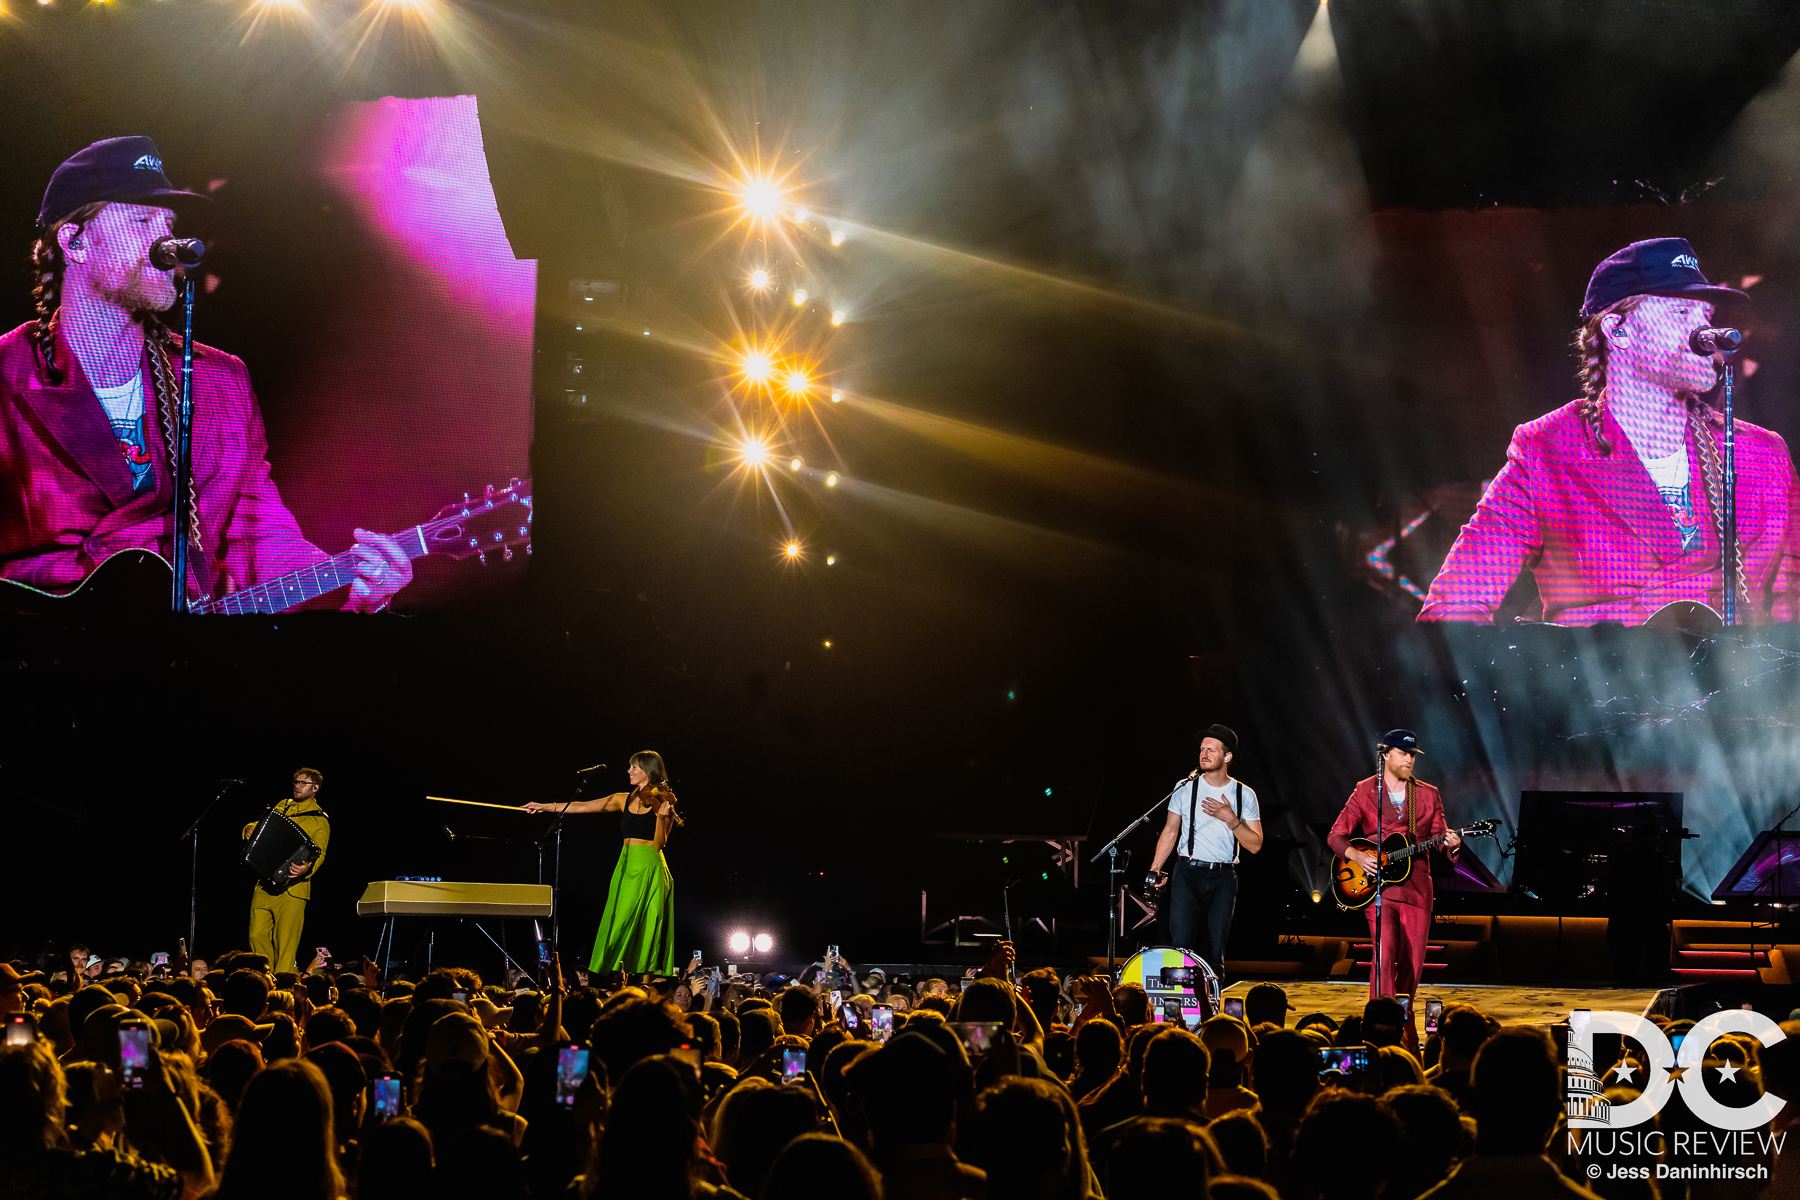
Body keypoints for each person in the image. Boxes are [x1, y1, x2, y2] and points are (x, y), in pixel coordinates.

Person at [0, 135, 416, 610]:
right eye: (141, 220)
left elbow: (258, 536)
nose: (169, 242)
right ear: (75, 242)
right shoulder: (7, 376)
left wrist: (355, 589)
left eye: (169, 223)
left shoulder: (220, 381)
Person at [1419, 236, 1800, 626]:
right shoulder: (1547, 452)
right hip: (1606, 681)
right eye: (1682, 313)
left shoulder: (1761, 455)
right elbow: (1453, 605)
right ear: (1618, 331)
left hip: (1739, 682)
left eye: (1705, 315)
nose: (1705, 332)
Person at [1327, 730, 1460, 1024]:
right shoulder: (1365, 790)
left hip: (1416, 889)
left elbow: (1439, 836)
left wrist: (1452, 843)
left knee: (1413, 964)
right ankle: (1380, 1020)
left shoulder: (1428, 794)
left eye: (1412, 755)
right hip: (1379, 888)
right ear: (1386, 754)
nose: (1409, 760)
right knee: (1383, 956)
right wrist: (1357, 856)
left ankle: (1402, 1018)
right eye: (1402, 753)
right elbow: (1336, 836)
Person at [522, 752, 679, 976]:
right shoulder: (622, 798)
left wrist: (663, 818)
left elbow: (658, 844)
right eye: (630, 767)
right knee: (618, 920)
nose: (629, 771)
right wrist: (545, 807)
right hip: (625, 864)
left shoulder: (663, 802)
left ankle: (645, 979)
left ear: (649, 770)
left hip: (650, 866)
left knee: (646, 924)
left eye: (634, 767)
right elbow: (582, 806)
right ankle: (613, 976)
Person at [1145, 724, 1264, 982]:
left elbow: (1255, 845)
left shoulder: (1244, 794)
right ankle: (1177, 1012)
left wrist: (1231, 819)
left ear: (1227, 756)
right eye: (1202, 749)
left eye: (1211, 749)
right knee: (1181, 946)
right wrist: (1155, 868)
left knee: (1214, 949)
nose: (1204, 753)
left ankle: (1212, 1010)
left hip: (1223, 876)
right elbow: (1170, 831)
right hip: (1187, 873)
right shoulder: (1185, 787)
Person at [241, 768, 331, 976]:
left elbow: (320, 852)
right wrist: (249, 827)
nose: (297, 786)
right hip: (265, 880)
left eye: (303, 783)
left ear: (315, 788)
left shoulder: (320, 819)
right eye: (296, 782)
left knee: (286, 943)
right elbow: (264, 824)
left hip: (293, 888)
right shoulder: (283, 805)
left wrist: (307, 868)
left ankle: (282, 984)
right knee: (256, 934)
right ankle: (265, 976)